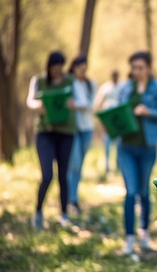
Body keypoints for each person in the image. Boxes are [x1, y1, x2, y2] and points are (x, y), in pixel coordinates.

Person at [117, 51, 157, 258]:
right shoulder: (125, 88)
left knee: (144, 192)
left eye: (140, 67)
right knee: (130, 192)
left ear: (148, 67)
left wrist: (148, 112)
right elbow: (118, 112)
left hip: (147, 147)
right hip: (125, 147)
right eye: (133, 67)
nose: (136, 71)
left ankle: (144, 234)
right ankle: (129, 239)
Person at [26, 51, 77, 228]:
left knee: (64, 175)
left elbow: (81, 100)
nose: (57, 71)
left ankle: (63, 214)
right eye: (54, 67)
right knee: (47, 175)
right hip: (45, 132)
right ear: (49, 66)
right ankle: (38, 212)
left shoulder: (70, 81)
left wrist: (74, 103)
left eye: (60, 67)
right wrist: (38, 105)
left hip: (66, 132)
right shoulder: (38, 81)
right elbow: (30, 101)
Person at [67, 55, 97, 215]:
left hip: (87, 128)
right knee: (74, 164)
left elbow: (92, 105)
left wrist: (77, 105)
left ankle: (74, 198)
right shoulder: (68, 82)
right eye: (80, 68)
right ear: (73, 67)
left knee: (79, 166)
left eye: (85, 69)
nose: (82, 71)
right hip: (72, 129)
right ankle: (70, 199)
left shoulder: (90, 84)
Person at [94, 70, 121, 175]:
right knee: (107, 143)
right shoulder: (105, 88)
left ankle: (119, 165)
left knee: (119, 144)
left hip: (118, 120)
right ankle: (107, 166)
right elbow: (98, 103)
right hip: (108, 120)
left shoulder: (121, 87)